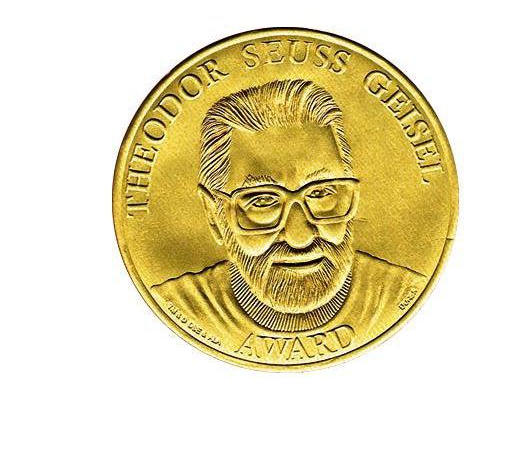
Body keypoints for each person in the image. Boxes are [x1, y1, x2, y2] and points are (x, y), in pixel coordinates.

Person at [151, 79, 425, 361]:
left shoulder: (399, 294)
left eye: (321, 193)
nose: (299, 237)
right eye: (262, 201)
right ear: (214, 214)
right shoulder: (178, 306)